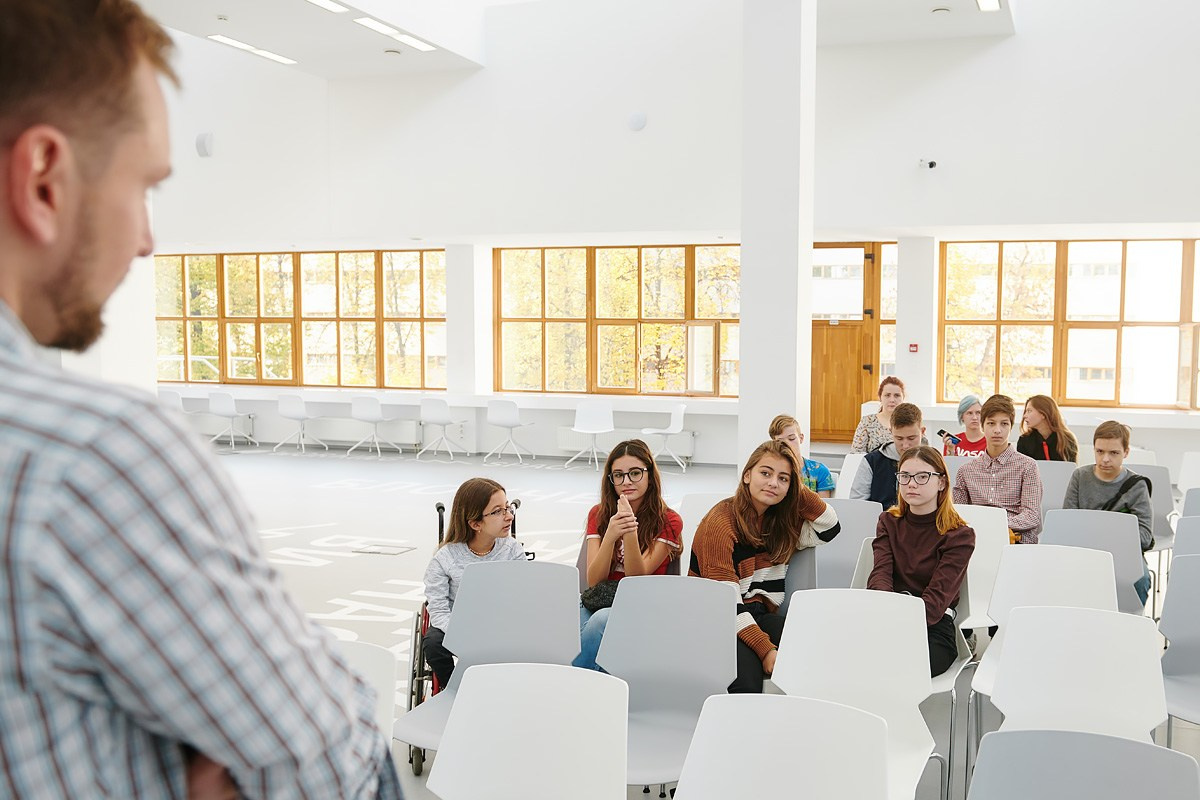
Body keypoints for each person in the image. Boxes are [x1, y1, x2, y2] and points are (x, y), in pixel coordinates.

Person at [0, 3, 400, 797]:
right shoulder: (90, 456)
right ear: (44, 179)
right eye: (145, 185)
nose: (148, 240)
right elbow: (328, 764)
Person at [690, 441, 840, 693]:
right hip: (717, 618)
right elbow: (726, 605)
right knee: (747, 680)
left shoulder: (781, 522)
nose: (773, 483)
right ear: (747, 475)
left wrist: (794, 491)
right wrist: (766, 650)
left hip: (758, 614)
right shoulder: (720, 522)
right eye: (765, 473)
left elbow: (830, 526)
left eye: (783, 478)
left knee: (819, 648)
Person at [574, 440, 682, 671]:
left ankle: (574, 682)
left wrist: (629, 531)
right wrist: (610, 536)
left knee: (599, 622)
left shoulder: (669, 520)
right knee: (566, 622)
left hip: (642, 602)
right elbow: (594, 580)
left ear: (650, 475)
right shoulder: (599, 513)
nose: (626, 482)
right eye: (618, 475)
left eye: (635, 473)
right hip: (601, 597)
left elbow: (636, 579)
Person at [868, 446, 975, 676]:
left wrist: (899, 625)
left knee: (903, 666)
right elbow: (880, 575)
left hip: (933, 625)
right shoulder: (888, 521)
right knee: (856, 657)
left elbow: (936, 600)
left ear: (941, 482)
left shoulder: (960, 535)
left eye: (922, 476)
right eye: (905, 476)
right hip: (888, 616)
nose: (912, 484)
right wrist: (884, 616)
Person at [423, 478, 528, 686]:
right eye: (498, 511)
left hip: (500, 622)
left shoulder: (513, 550)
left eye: (507, 508)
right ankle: (456, 689)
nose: (509, 516)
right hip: (458, 625)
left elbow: (523, 596)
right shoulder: (445, 559)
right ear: (475, 524)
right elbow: (439, 611)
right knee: (433, 644)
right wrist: (466, 635)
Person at [1064, 421, 1154, 605]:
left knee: (1141, 579)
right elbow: (1067, 522)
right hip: (1085, 550)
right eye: (1100, 451)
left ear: (1126, 452)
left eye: (1113, 453)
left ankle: (1129, 620)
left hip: (1124, 553)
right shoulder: (1080, 476)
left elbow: (1145, 536)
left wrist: (1107, 534)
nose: (1105, 459)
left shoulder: (1137, 485)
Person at [953, 394, 1044, 544]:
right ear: (982, 426)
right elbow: (959, 515)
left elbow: (1032, 516)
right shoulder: (966, 471)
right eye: (991, 423)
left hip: (1016, 541)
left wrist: (994, 525)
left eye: (1004, 424)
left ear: (1011, 426)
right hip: (977, 540)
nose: (997, 430)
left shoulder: (1028, 466)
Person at [851, 402, 925, 506]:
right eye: (899, 438)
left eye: (911, 438)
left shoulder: (933, 461)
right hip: (879, 515)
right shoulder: (871, 462)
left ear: (922, 431)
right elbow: (858, 504)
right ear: (891, 432)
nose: (905, 445)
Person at [769, 413, 835, 497]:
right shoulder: (770, 471)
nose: (787, 444)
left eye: (791, 438)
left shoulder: (820, 471)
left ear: (801, 438)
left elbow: (824, 504)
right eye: (780, 441)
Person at [851, 376, 907, 454]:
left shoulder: (911, 422)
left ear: (903, 398)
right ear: (880, 397)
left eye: (897, 395)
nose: (892, 400)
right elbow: (855, 454)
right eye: (887, 395)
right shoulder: (867, 422)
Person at [1017, 394, 1079, 462]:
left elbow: (1071, 466)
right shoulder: (1024, 440)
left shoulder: (1067, 439)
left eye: (1029, 411)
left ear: (1043, 414)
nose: (1024, 416)